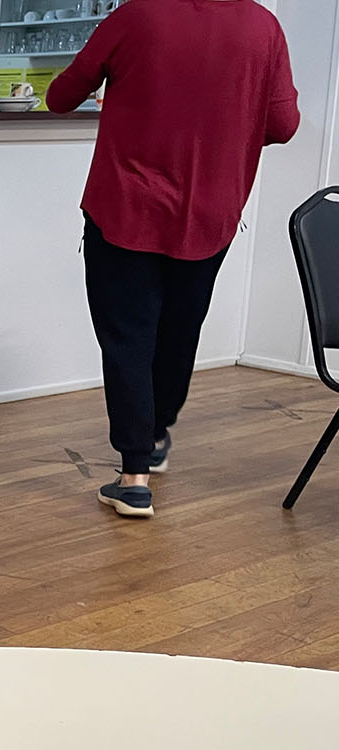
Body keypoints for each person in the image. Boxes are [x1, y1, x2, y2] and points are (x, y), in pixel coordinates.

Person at [47, 0, 298, 519]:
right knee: (181, 327)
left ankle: (134, 475)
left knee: (127, 337)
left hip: (126, 207)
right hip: (212, 209)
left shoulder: (134, 16)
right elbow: (283, 124)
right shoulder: (263, 27)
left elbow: (60, 97)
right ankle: (156, 431)